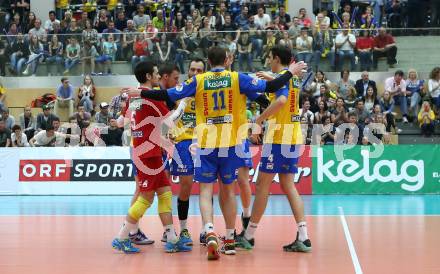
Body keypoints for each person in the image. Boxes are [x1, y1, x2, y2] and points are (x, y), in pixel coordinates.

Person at [126, 47, 306, 259]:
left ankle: (209, 229)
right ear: (227, 60)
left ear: (208, 62)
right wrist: (290, 72)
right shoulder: (238, 78)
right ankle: (229, 238)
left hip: (206, 144)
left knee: (204, 190)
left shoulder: (199, 81)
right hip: (231, 143)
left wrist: (141, 92)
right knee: (229, 190)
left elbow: (166, 93)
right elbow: (272, 87)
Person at [236, 45, 311, 253]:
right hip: (293, 135)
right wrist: (270, 77)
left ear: (277, 59)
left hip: (279, 137)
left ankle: (248, 236)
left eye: (270, 58)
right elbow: (284, 91)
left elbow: (281, 99)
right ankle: (303, 237)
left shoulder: (283, 78)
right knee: (288, 184)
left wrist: (259, 120)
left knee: (262, 186)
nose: (269, 61)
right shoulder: (292, 78)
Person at [112, 61, 191, 254]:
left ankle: (171, 238)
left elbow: (124, 121)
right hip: (149, 153)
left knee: (165, 193)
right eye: (156, 73)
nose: (158, 76)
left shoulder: (134, 97)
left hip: (147, 150)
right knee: (145, 198)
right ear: (148, 76)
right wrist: (184, 102)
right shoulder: (150, 97)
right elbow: (170, 122)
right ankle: (121, 237)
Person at [161, 59, 205, 245]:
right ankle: (184, 229)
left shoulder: (208, 89)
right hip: (183, 141)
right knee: (186, 185)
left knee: (206, 186)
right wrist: (166, 133)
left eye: (199, 70)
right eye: (192, 69)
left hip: (205, 141)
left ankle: (206, 229)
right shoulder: (179, 91)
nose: (194, 72)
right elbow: (165, 115)